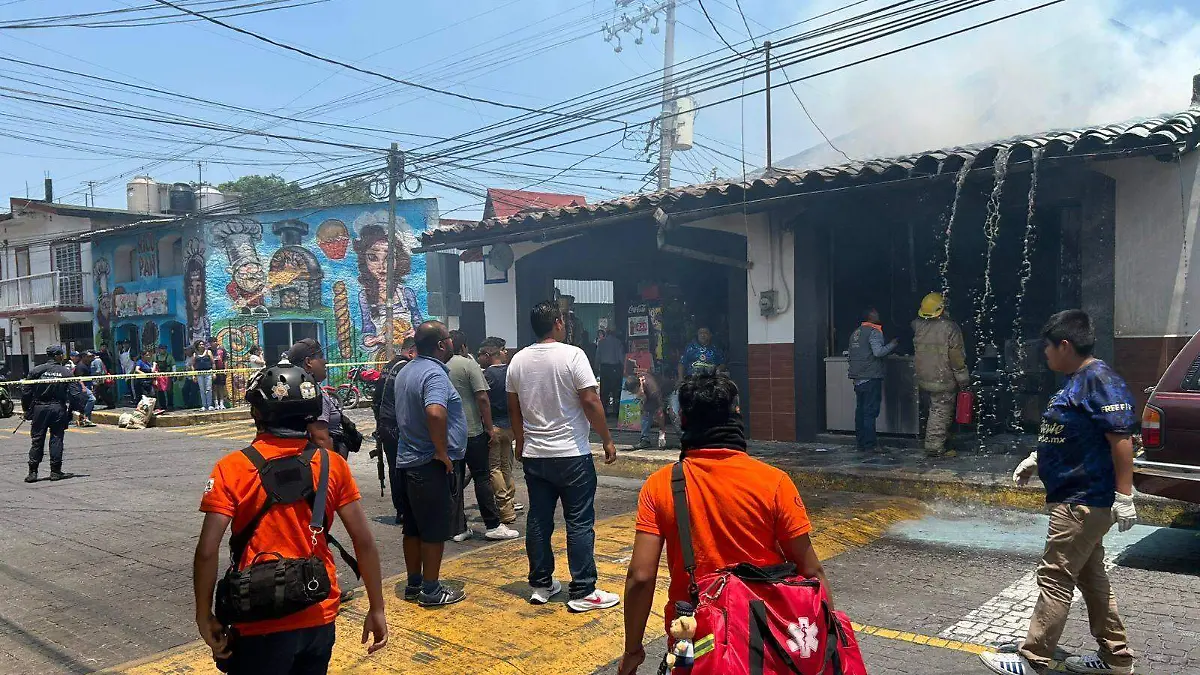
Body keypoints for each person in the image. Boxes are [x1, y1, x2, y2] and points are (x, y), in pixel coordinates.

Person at [616, 373, 830, 675]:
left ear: (684, 421)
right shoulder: (774, 482)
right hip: (764, 639)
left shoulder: (661, 485)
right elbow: (812, 572)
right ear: (737, 415)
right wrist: (829, 643)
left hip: (692, 639)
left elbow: (640, 576)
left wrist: (633, 651)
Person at [193, 360, 387, 674]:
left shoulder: (232, 468)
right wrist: (376, 607)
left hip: (259, 618)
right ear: (310, 413)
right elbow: (364, 542)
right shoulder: (331, 464)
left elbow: (206, 551)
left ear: (257, 413)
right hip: (318, 612)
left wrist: (204, 615)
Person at [981, 310, 1138, 675]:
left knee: (1055, 576)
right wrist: (1039, 457)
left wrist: (1124, 495)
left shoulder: (1099, 380)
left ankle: (1033, 657)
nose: (1045, 356)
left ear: (1065, 345)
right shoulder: (1076, 380)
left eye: (1048, 349)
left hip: (1082, 500)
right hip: (1077, 496)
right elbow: (1073, 431)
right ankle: (1115, 657)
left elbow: (1121, 440)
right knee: (1091, 577)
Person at [507, 301, 619, 612]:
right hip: (571, 454)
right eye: (564, 320)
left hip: (536, 455)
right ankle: (583, 590)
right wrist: (607, 439)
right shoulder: (573, 355)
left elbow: (513, 408)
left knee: (539, 520)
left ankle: (541, 584)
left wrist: (520, 442)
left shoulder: (517, 361)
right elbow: (590, 400)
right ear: (557, 322)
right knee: (579, 521)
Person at [393, 320, 467, 608]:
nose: (452, 343)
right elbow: (435, 413)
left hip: (407, 461)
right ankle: (432, 590)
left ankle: (414, 583)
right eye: (448, 339)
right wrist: (442, 453)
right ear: (440, 344)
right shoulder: (434, 374)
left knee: (412, 528)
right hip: (428, 463)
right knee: (434, 530)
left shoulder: (405, 370)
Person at [447, 330, 518, 542]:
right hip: (475, 430)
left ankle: (458, 527)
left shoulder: (438, 366)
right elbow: (482, 399)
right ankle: (494, 522)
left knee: (456, 479)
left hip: (450, 433)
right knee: (486, 474)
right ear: (463, 347)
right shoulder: (469, 366)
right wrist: (488, 428)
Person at [912, 292, 970, 458]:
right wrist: (963, 378)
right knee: (941, 410)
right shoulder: (950, 328)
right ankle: (934, 447)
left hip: (924, 378)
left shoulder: (919, 326)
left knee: (930, 409)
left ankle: (939, 438)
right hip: (943, 378)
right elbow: (957, 358)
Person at [22, 346, 85, 483]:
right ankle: (55, 471)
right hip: (57, 408)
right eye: (61, 354)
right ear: (57, 356)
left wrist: (27, 409)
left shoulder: (36, 371)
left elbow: (26, 391)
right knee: (56, 439)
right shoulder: (65, 372)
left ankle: (32, 472)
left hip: (39, 408)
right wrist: (76, 410)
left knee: (37, 440)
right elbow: (75, 395)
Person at [373, 337, 418, 525]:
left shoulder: (388, 366)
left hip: (384, 423)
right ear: (412, 351)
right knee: (407, 468)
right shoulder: (405, 368)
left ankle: (401, 509)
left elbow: (376, 397)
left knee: (394, 468)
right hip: (397, 425)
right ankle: (409, 509)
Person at [478, 342, 522, 526]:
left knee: (494, 468)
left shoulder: (487, 375)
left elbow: (482, 401)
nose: (479, 358)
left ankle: (505, 511)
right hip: (510, 427)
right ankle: (510, 503)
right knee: (506, 466)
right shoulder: (511, 372)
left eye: (481, 355)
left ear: (488, 355)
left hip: (494, 426)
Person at [847, 307, 898, 452]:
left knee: (861, 411)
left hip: (857, 377)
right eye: (876, 313)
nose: (878, 315)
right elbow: (878, 352)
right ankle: (870, 445)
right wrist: (893, 344)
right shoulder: (874, 331)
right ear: (870, 316)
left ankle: (861, 443)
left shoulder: (856, 333)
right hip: (870, 376)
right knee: (870, 412)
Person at [626, 372, 673, 450]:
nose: (634, 394)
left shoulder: (653, 392)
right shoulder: (638, 379)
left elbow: (660, 412)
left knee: (673, 414)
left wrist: (662, 433)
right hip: (650, 392)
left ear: (638, 387)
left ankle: (683, 439)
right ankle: (645, 440)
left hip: (669, 391)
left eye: (634, 392)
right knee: (645, 412)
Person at [595, 329, 625, 416]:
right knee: (616, 390)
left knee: (604, 391)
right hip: (615, 368)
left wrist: (596, 369)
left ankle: (604, 411)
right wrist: (624, 368)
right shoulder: (618, 342)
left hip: (604, 368)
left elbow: (598, 357)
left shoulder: (601, 343)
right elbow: (621, 357)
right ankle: (616, 411)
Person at [70, 351, 97, 427]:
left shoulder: (87, 364)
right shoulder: (80, 366)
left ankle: (85, 420)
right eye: (89, 356)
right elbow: (79, 378)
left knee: (85, 403)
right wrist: (83, 387)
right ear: (84, 357)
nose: (91, 358)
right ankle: (85, 417)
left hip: (86, 386)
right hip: (80, 386)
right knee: (92, 399)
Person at [154, 344, 176, 411]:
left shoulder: (169, 357)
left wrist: (174, 375)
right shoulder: (155, 356)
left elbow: (173, 366)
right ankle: (162, 406)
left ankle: (170, 406)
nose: (162, 350)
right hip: (159, 376)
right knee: (160, 392)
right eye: (161, 348)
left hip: (168, 376)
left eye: (164, 348)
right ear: (159, 349)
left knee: (169, 391)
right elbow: (153, 366)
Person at [194, 341, 215, 411]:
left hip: (208, 372)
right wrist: (194, 375)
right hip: (199, 373)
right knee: (202, 389)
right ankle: (204, 405)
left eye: (203, 344)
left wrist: (214, 373)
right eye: (200, 344)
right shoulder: (195, 354)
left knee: (208, 389)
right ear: (197, 346)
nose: (202, 346)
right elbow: (192, 365)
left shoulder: (208, 352)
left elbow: (213, 363)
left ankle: (210, 405)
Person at [95, 345, 117, 410]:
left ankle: (110, 403)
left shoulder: (107, 356)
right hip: (103, 375)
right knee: (102, 390)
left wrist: (110, 374)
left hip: (105, 375)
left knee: (104, 390)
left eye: (105, 346)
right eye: (102, 346)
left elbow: (110, 364)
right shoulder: (99, 356)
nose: (103, 348)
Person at [212, 340, 229, 410]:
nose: (214, 343)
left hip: (221, 370)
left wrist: (225, 369)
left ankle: (221, 403)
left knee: (221, 387)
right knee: (214, 387)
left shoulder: (222, 350)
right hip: (213, 371)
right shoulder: (209, 350)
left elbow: (225, 360)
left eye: (215, 341)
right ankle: (216, 404)